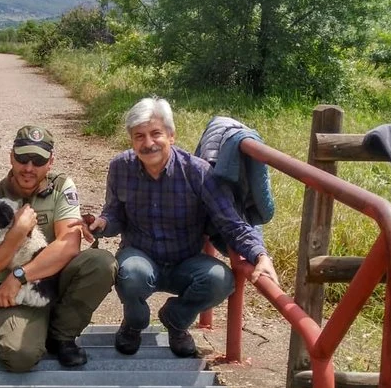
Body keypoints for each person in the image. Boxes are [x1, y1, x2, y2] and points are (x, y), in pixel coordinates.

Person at [87, 98, 279, 357]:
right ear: (131, 140)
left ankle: (176, 321)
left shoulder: (198, 172)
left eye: (156, 134)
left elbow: (231, 222)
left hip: (185, 260)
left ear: (171, 135)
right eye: (139, 136)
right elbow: (114, 214)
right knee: (129, 272)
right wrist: (102, 223)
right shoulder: (120, 167)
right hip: (140, 255)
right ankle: (134, 324)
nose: (148, 143)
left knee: (221, 280)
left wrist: (260, 255)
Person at [0, 125, 117, 372]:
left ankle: (61, 335)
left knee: (101, 263)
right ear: (11, 157)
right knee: (18, 357)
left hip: (50, 281)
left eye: (38, 160)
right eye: (22, 158)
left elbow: (68, 246)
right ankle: (31, 328)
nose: (28, 167)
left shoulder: (61, 187)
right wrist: (17, 232)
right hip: (14, 296)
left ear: (50, 162)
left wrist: (19, 275)